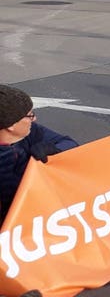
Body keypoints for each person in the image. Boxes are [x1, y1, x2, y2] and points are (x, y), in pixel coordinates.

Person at [0, 85, 78, 223]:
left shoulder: (31, 132)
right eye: (30, 115)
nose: (34, 119)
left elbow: (70, 144)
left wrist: (56, 150)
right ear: (11, 126)